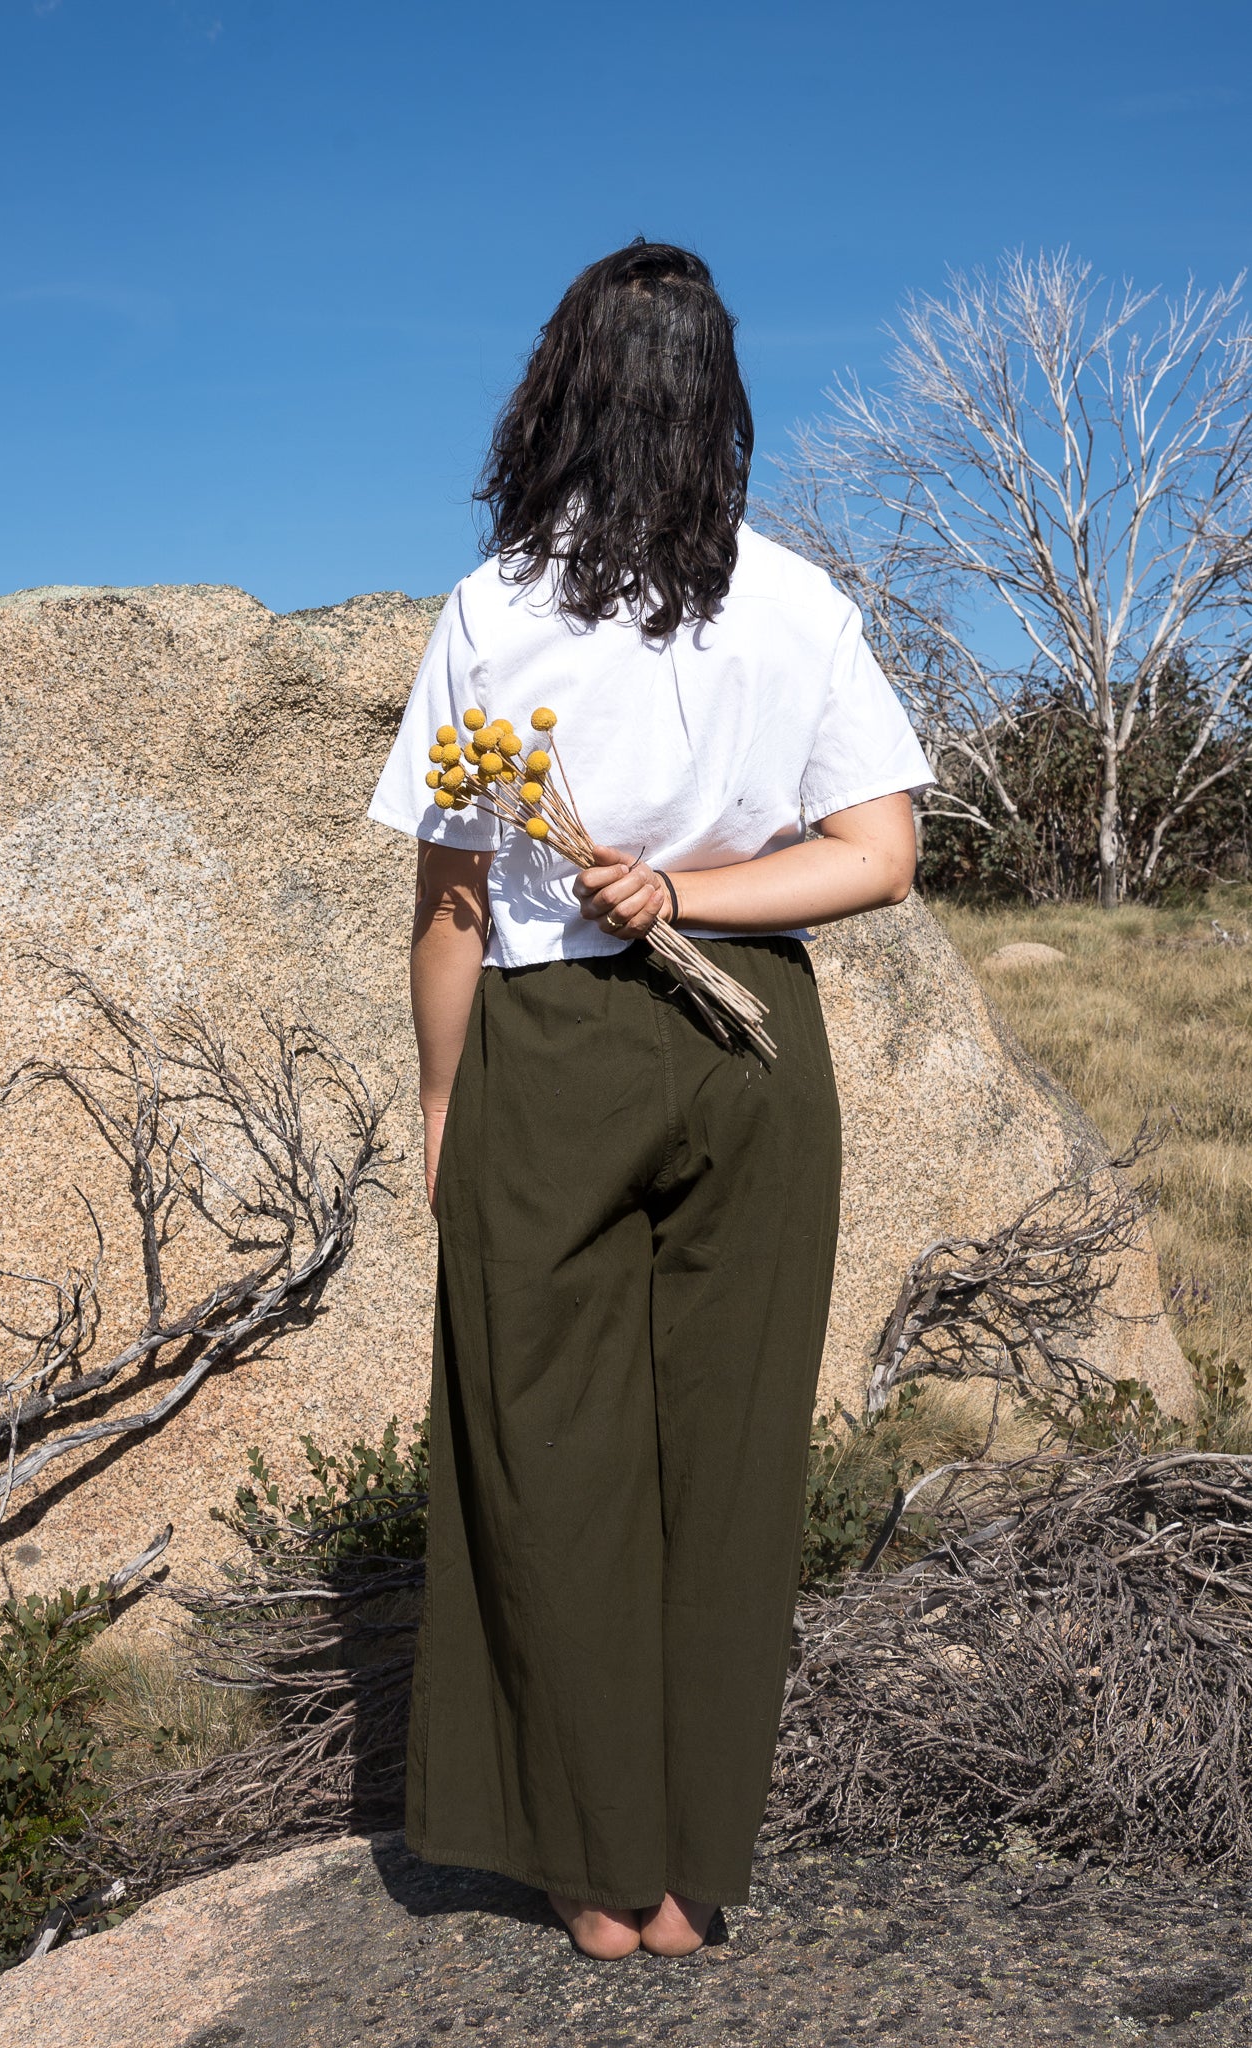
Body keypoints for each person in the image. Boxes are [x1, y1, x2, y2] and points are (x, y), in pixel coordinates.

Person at [367, 240, 934, 1961]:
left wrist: (446, 1104)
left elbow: (457, 902)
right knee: (730, 1463)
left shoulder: (498, 604)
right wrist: (697, 899)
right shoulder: (796, 601)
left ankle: (592, 1867)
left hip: (553, 1046)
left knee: (550, 1461)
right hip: (754, 1053)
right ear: (720, 406)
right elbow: (880, 856)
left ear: (563, 392)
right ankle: (691, 1871)